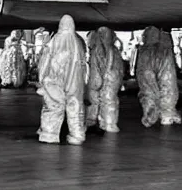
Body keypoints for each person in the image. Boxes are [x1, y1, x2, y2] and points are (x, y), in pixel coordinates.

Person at [37, 15, 86, 145]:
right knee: (75, 106)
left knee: (53, 105)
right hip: (75, 81)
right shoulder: (78, 42)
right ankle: (77, 135)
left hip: (55, 79)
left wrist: (42, 79)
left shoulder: (55, 41)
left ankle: (49, 134)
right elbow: (84, 65)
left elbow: (45, 62)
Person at [136, 27, 181, 127]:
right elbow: (168, 83)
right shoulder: (164, 51)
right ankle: (167, 114)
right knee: (167, 85)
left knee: (147, 89)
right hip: (162, 56)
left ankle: (149, 115)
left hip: (146, 60)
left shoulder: (142, 51)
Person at [86, 26, 123, 132]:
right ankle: (108, 123)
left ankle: (104, 122)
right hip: (112, 80)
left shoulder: (99, 50)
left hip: (106, 79)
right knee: (109, 101)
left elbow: (96, 69)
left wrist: (96, 82)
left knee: (100, 100)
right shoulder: (113, 49)